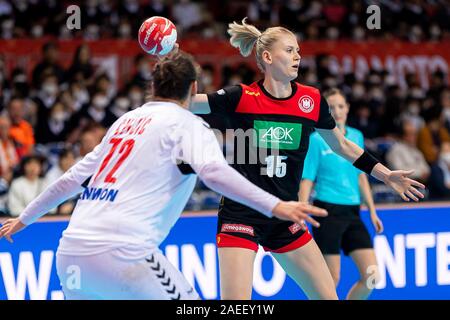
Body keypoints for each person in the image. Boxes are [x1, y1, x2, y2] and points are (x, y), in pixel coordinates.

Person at [0, 51, 327, 300]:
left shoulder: (124, 122)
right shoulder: (188, 125)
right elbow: (214, 173)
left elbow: (71, 179)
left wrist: (24, 219)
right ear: (194, 89)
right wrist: (275, 205)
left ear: (152, 86)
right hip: (124, 255)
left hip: (71, 256)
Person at [189, 18, 425, 300]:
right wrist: (176, 77)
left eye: (298, 50)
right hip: (242, 213)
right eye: (289, 50)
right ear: (267, 57)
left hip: (285, 215)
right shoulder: (241, 96)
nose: (297, 56)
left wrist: (385, 174)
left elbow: (343, 146)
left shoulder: (310, 101)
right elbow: (189, 103)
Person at [299, 88, 383, 300]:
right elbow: (307, 179)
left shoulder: (356, 136)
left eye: (340, 106)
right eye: (331, 107)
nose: (336, 111)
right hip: (327, 213)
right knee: (330, 281)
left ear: (347, 109)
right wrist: (300, 210)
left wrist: (372, 211)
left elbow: (361, 175)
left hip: (353, 213)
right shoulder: (316, 140)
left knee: (372, 276)